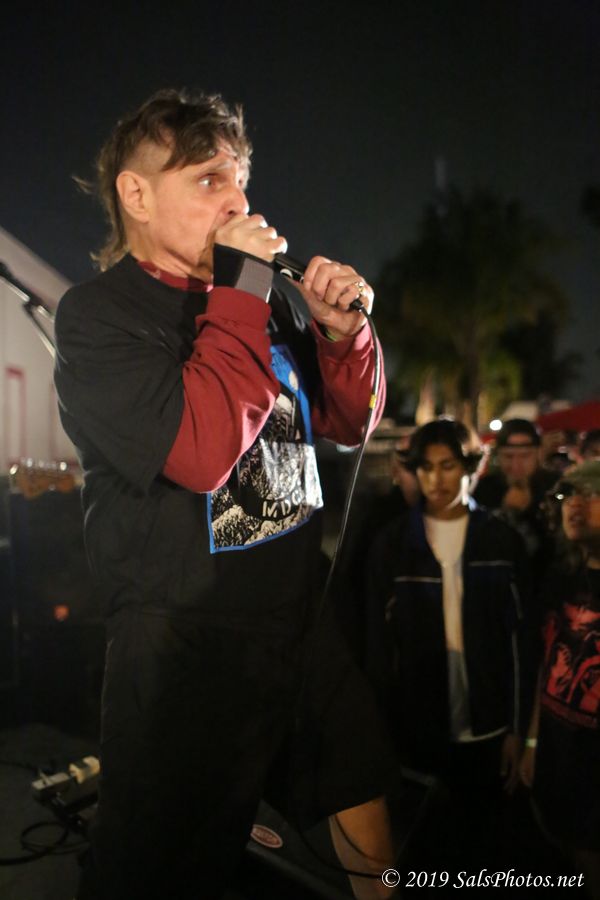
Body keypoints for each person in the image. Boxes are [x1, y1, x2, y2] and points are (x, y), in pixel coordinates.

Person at [53, 88, 396, 900]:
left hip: (298, 617)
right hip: (184, 644)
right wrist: (241, 292)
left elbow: (349, 421)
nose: (238, 202)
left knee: (364, 801)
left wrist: (344, 335)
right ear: (137, 196)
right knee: (161, 871)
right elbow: (203, 453)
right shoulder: (98, 317)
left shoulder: (258, 302)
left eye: (241, 181)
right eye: (209, 180)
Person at [366, 419, 533, 869]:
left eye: (448, 466)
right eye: (426, 467)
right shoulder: (393, 544)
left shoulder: (501, 540)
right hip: (419, 726)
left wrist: (519, 729)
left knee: (487, 848)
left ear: (470, 469)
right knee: (426, 849)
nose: (436, 479)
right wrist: (381, 730)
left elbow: (521, 641)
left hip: (489, 724)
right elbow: (378, 646)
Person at [520, 461, 600, 898]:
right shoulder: (560, 577)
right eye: (568, 495)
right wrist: (533, 742)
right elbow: (546, 661)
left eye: (590, 494)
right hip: (556, 759)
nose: (575, 505)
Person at [474, 418, 557, 577]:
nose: (516, 465)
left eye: (525, 456)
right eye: (509, 456)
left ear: (538, 454)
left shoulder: (553, 487)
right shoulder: (483, 490)